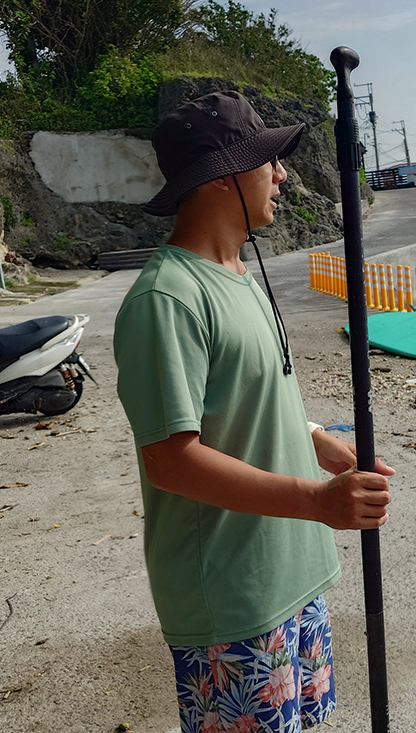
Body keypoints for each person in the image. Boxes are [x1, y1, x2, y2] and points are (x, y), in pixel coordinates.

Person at [113, 90, 393, 733]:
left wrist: (315, 437)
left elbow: (246, 392)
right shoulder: (168, 299)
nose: (282, 173)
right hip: (235, 601)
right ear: (221, 177)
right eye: (266, 161)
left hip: (293, 572)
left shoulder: (239, 273)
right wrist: (320, 502)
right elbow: (171, 461)